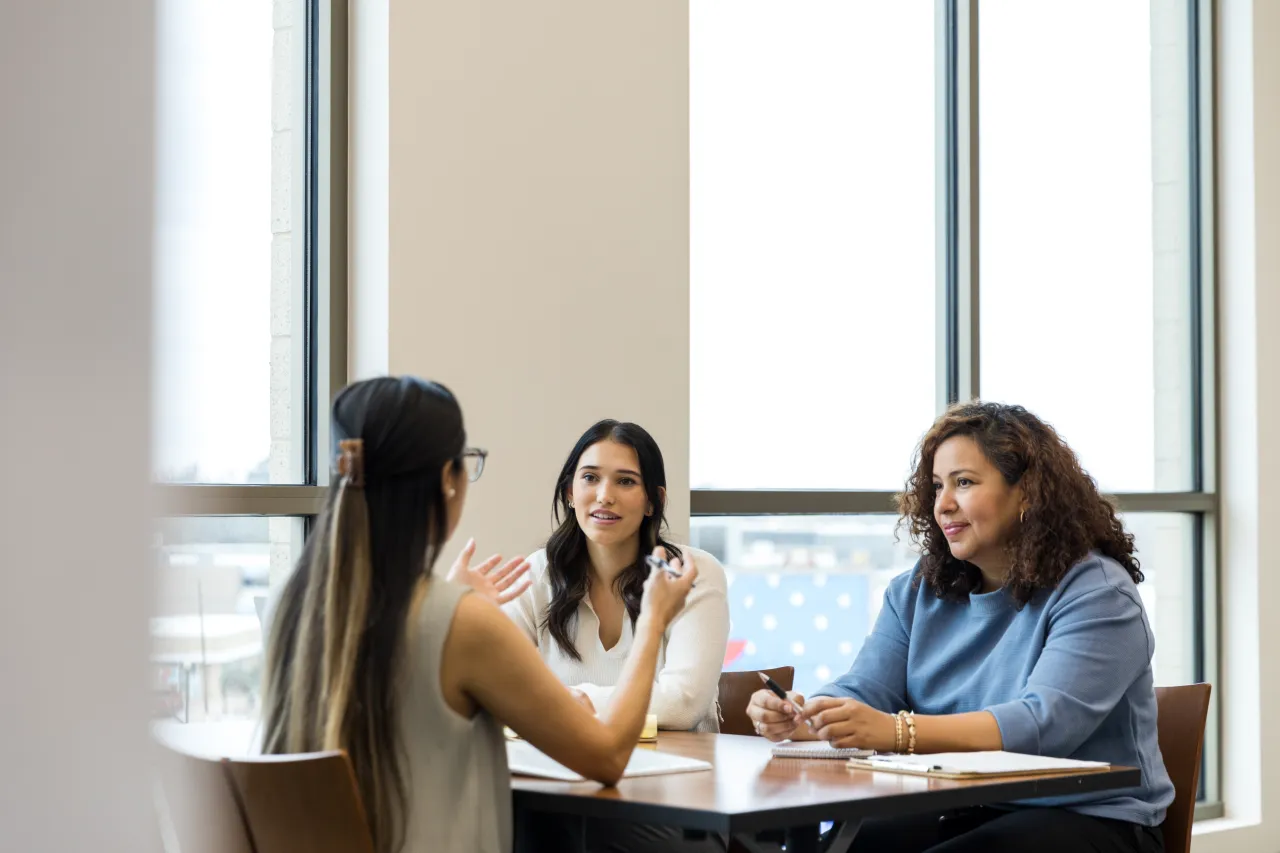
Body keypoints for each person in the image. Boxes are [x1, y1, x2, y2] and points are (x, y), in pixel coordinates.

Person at [259, 377, 697, 853]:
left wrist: (451, 602)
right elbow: (609, 756)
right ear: (447, 480)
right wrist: (652, 620)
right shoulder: (462, 622)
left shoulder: (292, 602)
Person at [745, 401, 1173, 853]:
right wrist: (808, 716)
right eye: (936, 487)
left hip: (1093, 819)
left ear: (1027, 492)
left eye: (964, 483)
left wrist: (896, 732)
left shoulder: (1099, 592)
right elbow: (866, 689)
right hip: (968, 804)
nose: (943, 505)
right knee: (849, 846)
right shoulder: (915, 590)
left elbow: (1042, 726)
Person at [503, 419, 729, 733]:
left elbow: (682, 706)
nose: (604, 495)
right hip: (564, 770)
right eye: (590, 478)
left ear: (653, 501)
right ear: (570, 492)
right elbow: (501, 690)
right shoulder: (536, 573)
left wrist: (563, 701)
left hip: (678, 771)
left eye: (625, 482)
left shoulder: (695, 572)